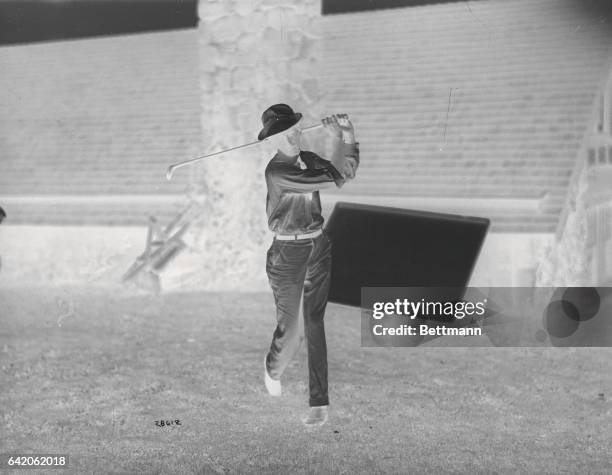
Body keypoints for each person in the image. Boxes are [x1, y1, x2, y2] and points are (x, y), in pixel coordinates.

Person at [258, 104, 359, 427]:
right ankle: (273, 368)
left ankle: (320, 403)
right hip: (287, 255)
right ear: (272, 139)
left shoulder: (309, 159)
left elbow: (346, 174)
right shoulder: (278, 172)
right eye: (282, 133)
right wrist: (340, 140)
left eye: (293, 129)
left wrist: (347, 136)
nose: (291, 136)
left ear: (299, 129)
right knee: (292, 333)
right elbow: (333, 178)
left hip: (318, 245)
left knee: (315, 322)